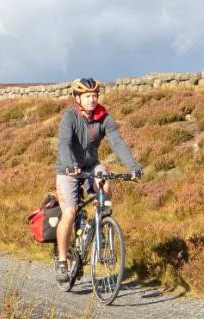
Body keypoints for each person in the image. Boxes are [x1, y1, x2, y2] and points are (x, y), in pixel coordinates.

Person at [55, 77, 143, 282]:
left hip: (91, 165)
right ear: (78, 98)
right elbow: (64, 143)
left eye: (95, 95)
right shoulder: (70, 117)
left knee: (106, 180)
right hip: (67, 168)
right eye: (87, 96)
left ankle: (101, 220)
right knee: (68, 212)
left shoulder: (104, 118)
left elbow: (117, 143)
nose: (92, 99)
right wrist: (69, 165)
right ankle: (61, 260)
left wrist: (133, 167)